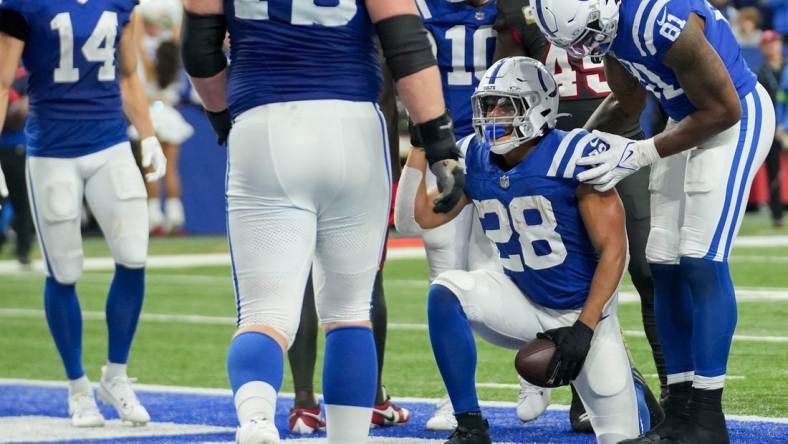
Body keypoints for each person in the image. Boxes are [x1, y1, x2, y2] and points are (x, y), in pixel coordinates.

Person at [181, 0, 463, 443]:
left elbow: (200, 50)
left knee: (264, 314)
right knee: (351, 311)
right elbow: (407, 46)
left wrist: (223, 118)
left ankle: (255, 422)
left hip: (264, 123)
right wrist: (440, 142)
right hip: (353, 127)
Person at [532, 1, 776, 443]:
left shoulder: (659, 19)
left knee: (700, 258)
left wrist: (642, 152)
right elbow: (629, 99)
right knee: (662, 262)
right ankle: (680, 405)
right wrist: (571, 149)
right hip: (686, 121)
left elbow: (724, 111)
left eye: (590, 34)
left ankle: (707, 414)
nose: (589, 46)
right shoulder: (601, 25)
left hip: (735, 117)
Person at [414, 56, 647, 444]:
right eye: (488, 105)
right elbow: (424, 216)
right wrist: (420, 150)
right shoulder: (474, 155)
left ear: (538, 106)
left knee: (622, 438)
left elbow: (614, 251)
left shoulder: (574, 155)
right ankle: (470, 425)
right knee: (446, 290)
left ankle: (635, 392)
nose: (494, 115)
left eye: (506, 104)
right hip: (521, 301)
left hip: (582, 315)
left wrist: (585, 327)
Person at [492, 0, 666, 432]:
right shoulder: (516, 10)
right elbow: (504, 78)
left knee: (648, 269)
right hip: (549, 150)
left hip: (617, 137)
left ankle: (674, 392)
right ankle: (585, 395)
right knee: (567, 276)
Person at [0, 0, 166, 428]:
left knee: (134, 256)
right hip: (52, 149)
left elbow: (129, 73)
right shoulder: (24, 4)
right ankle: (78, 388)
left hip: (110, 141)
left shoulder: (119, 2)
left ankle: (116, 375)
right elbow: (2, 81)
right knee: (65, 270)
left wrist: (147, 133)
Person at [393, 0, 502, 432]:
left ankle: (536, 374)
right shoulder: (413, 7)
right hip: (445, 146)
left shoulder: (507, 9)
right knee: (444, 273)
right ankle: (455, 400)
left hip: (503, 139)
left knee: (507, 261)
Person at [287, 63, 409, 435]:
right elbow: (390, 95)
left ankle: (304, 403)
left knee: (298, 279)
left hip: (288, 153)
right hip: (362, 157)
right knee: (366, 281)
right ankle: (371, 397)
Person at [0, 66, 33, 266]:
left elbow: (21, 111)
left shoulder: (22, 74)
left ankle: (23, 249)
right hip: (10, 143)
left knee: (21, 199)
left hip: (15, 144)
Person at [757, 30, 785, 227]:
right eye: (767, 44)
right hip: (772, 126)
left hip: (784, 124)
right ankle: (777, 215)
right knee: (773, 171)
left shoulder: (786, 70)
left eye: (774, 43)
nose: (771, 47)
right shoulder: (760, 74)